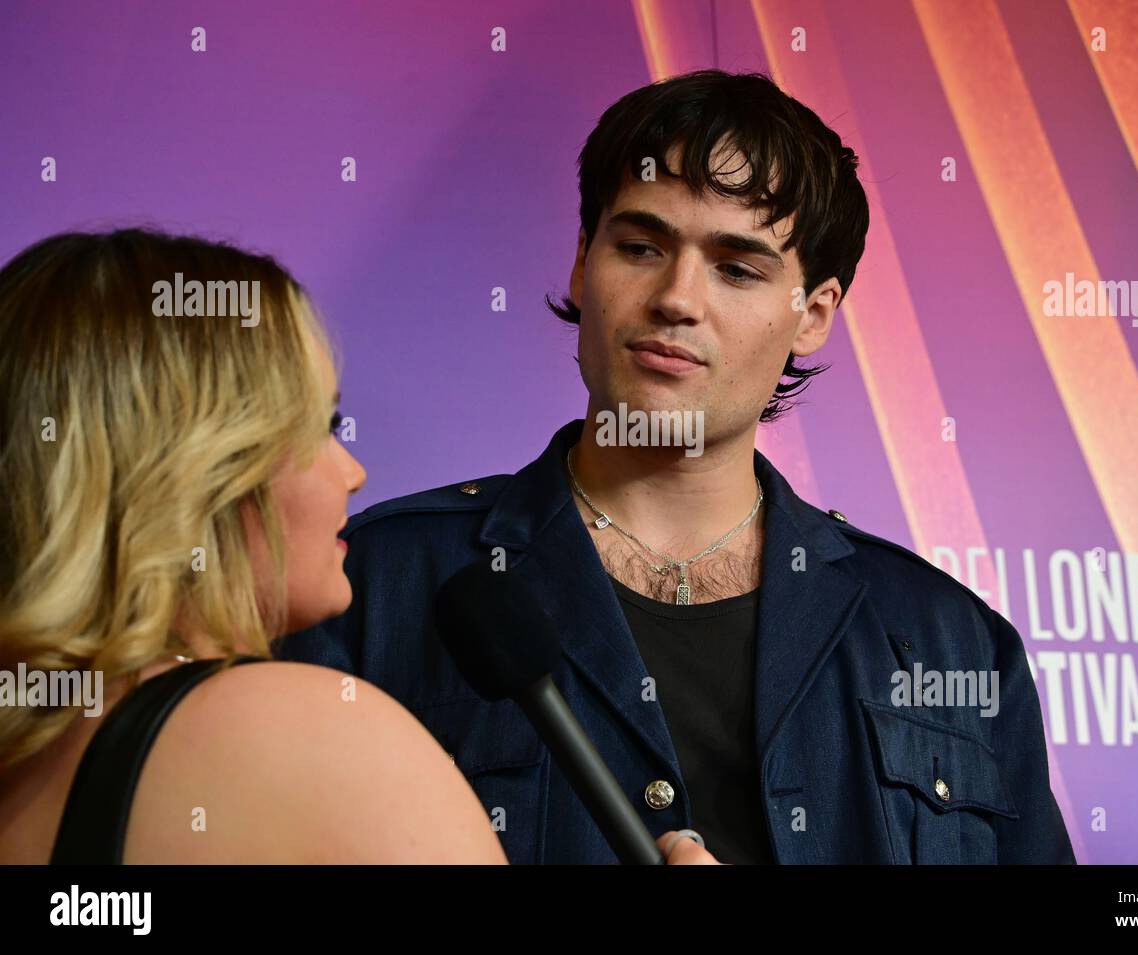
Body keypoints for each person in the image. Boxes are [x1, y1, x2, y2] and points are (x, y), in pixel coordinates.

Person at [279, 69, 1076, 864]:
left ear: (815, 314)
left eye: (737, 268)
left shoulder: (951, 642)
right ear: (582, 261)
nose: (676, 297)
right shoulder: (373, 585)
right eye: (640, 246)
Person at [0, 228, 715, 865]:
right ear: (198, 467)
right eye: (316, 425)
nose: (353, 471)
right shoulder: (307, 734)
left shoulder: (30, 759)